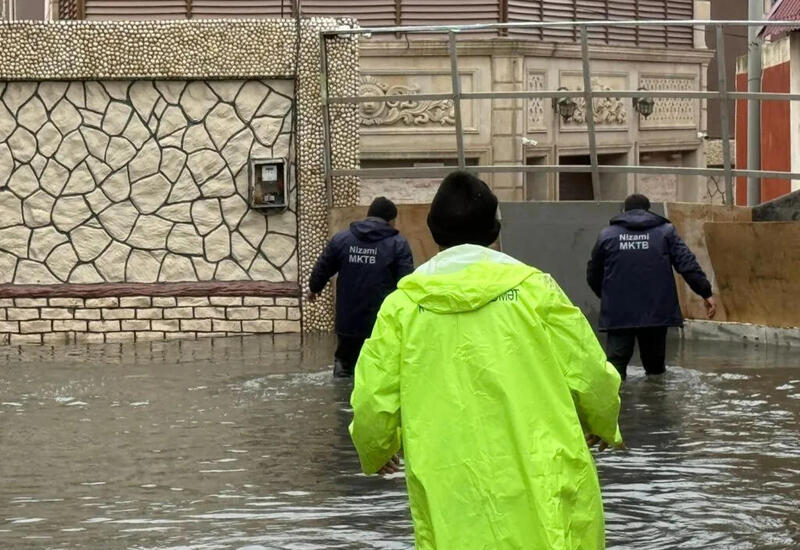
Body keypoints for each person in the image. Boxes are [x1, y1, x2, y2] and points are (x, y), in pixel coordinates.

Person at [349, 171, 624, 550]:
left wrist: (377, 449)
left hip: (452, 495)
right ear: (494, 230)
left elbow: (370, 401)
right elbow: (592, 374)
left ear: (433, 231)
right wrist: (600, 422)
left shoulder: (403, 307)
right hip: (544, 485)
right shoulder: (535, 291)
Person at [587, 193, 716, 381]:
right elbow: (687, 265)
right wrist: (706, 293)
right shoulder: (665, 232)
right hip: (656, 312)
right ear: (648, 210)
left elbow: (593, 273)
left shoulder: (607, 235)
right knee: (655, 372)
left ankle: (618, 409)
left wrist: (608, 297)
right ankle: (657, 409)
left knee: (615, 370)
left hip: (619, 312)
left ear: (624, 211)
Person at [308, 196, 413, 378]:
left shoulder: (342, 239)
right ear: (391, 221)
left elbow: (323, 268)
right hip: (381, 324)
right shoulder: (398, 244)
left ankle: (340, 403)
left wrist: (314, 289)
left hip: (347, 324)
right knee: (378, 373)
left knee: (344, 371)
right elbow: (407, 285)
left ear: (368, 215)